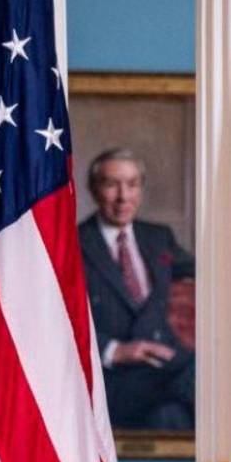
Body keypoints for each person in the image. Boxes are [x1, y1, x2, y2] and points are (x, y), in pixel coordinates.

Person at [79, 148, 196, 430]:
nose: (123, 197)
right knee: (200, 379)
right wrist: (115, 350)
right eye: (111, 184)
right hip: (112, 375)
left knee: (171, 417)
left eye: (132, 185)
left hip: (163, 365)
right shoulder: (73, 244)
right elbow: (54, 320)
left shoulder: (157, 237)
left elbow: (208, 273)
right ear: (93, 190)